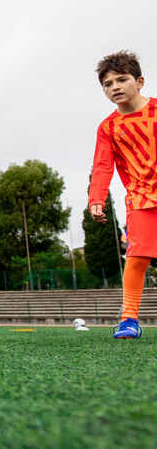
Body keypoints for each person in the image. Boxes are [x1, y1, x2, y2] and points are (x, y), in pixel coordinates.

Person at [89, 50, 154, 340]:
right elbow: (102, 166)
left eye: (121, 79)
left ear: (139, 81)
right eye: (107, 83)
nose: (114, 87)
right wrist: (96, 199)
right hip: (141, 200)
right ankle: (129, 319)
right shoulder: (108, 128)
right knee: (137, 257)